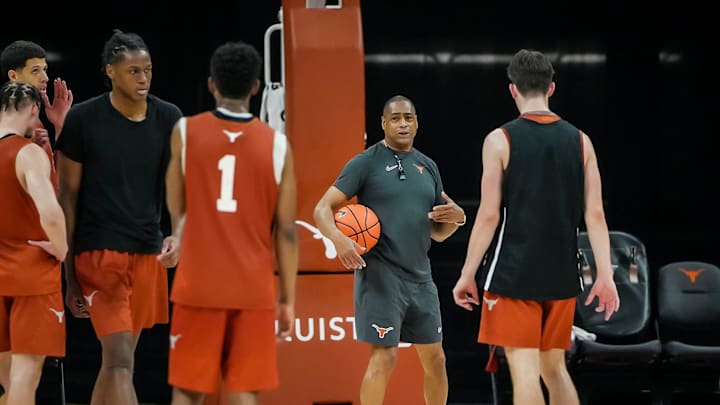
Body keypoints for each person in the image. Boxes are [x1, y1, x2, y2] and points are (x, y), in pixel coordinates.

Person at [451, 49, 620, 405]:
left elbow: (488, 215)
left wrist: (467, 274)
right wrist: (605, 276)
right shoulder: (581, 141)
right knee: (554, 368)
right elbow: (596, 215)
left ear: (512, 89)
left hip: (514, 273)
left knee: (524, 369)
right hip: (560, 273)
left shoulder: (500, 139)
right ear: (551, 88)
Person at [158, 40, 298, 405]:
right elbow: (286, 230)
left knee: (187, 391)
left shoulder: (185, 131)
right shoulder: (278, 145)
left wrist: (180, 234)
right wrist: (287, 299)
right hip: (252, 287)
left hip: (198, 283)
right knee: (242, 391)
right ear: (255, 87)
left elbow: (176, 203)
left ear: (211, 84)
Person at [55, 30, 182, 405]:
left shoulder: (169, 117)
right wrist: (70, 275)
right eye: (133, 71)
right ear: (110, 71)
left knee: (117, 363)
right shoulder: (83, 119)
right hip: (98, 254)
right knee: (120, 360)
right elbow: (67, 198)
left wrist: (178, 234)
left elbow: (179, 188)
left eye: (148, 70)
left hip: (147, 253)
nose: (143, 79)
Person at [313, 95, 465, 405]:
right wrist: (339, 240)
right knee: (385, 358)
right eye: (395, 118)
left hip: (421, 279)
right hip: (381, 278)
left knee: (437, 360)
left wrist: (459, 218)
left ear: (417, 122)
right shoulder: (365, 163)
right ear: (383, 123)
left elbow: (438, 233)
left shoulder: (428, 166)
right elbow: (321, 209)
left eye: (408, 117)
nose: (402, 123)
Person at [0, 82, 68, 405]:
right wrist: (61, 248)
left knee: (7, 377)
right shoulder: (27, 153)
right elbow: (51, 214)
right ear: (32, 111)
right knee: (26, 374)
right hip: (31, 278)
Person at [1, 40, 73, 148]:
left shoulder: (36, 125)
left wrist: (60, 125)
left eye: (44, 69)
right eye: (35, 71)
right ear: (13, 76)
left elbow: (55, 165)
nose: (45, 78)